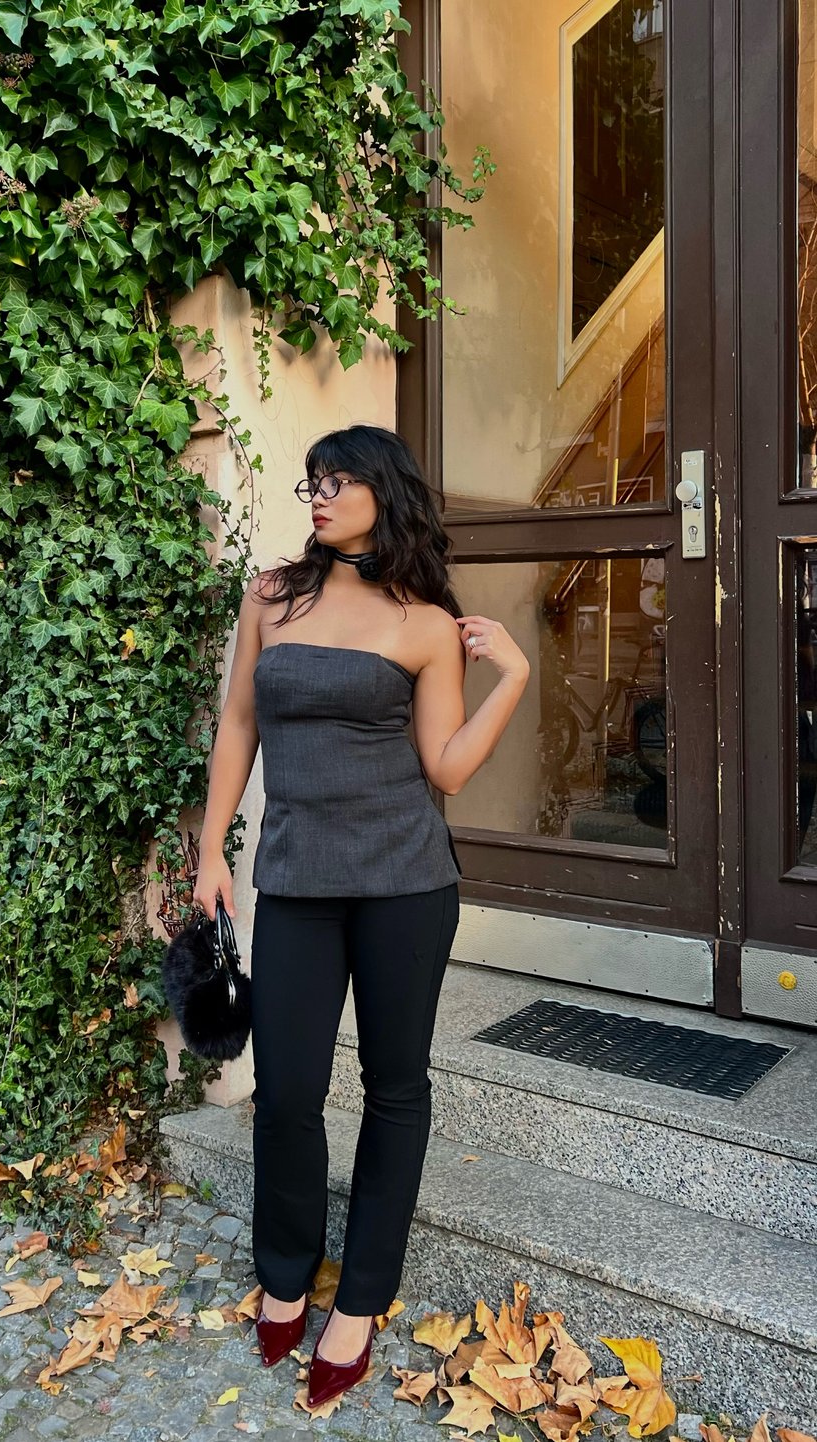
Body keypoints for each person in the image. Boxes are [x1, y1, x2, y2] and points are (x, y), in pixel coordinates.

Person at [192, 423, 530, 1408]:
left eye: (337, 480)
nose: (319, 495)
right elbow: (238, 722)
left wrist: (512, 674)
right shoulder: (270, 596)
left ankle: (363, 1296)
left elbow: (448, 769)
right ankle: (288, 1268)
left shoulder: (425, 621)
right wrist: (212, 847)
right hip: (295, 879)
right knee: (288, 1089)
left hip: (405, 885)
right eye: (311, 482)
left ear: (385, 490)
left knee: (393, 1087)